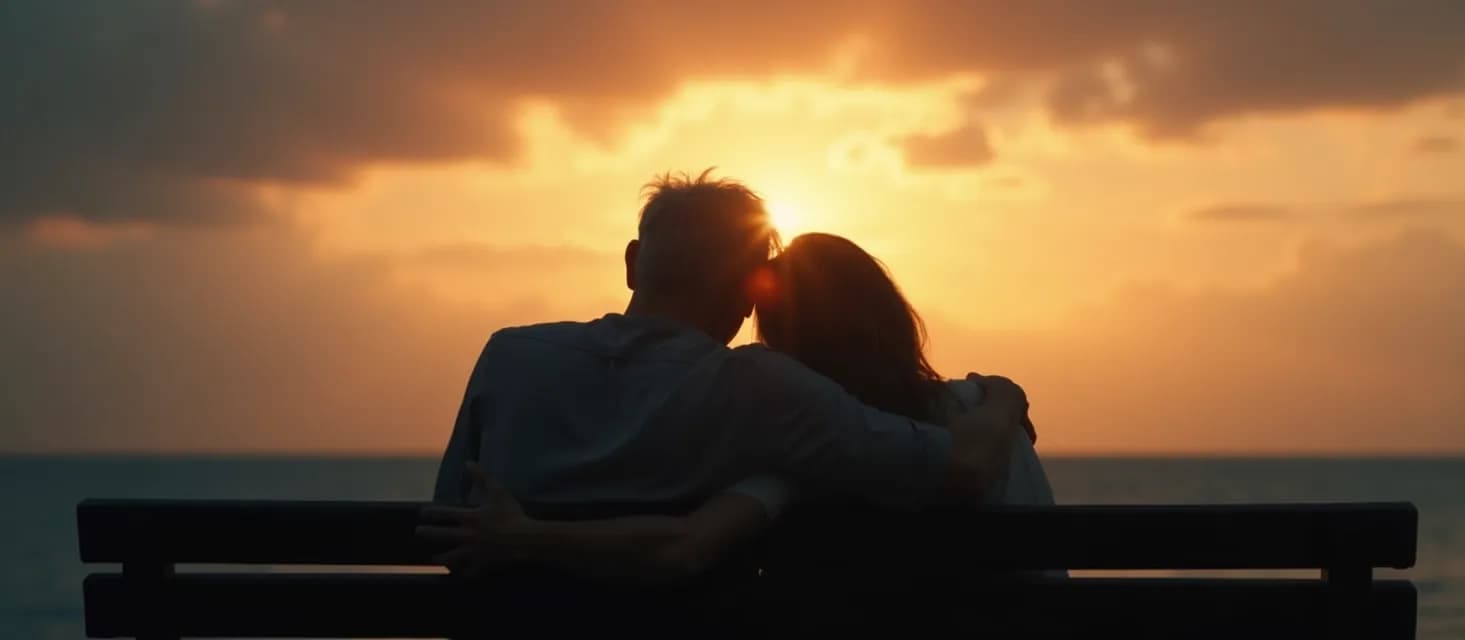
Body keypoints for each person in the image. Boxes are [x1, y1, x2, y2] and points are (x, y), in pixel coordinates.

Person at [423, 217, 1047, 582]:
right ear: (891, 315)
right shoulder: (978, 415)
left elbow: (690, 543)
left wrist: (528, 537)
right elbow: (968, 472)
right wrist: (1007, 398)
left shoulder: (793, 454)